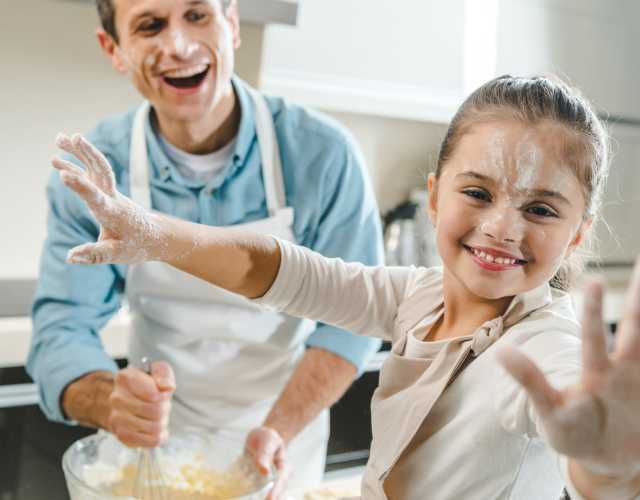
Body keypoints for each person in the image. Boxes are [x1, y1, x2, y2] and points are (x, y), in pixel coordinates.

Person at [51, 75, 640, 499]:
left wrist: (610, 458)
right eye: (479, 192)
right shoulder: (418, 294)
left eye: (540, 209)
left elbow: (594, 458)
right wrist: (155, 235)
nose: (501, 228)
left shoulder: (541, 343)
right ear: (435, 197)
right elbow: (278, 270)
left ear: (578, 234)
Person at [27, 0, 383, 493]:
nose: (179, 45)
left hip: (282, 439)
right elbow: (61, 329)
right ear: (114, 48)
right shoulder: (100, 174)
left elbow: (352, 321)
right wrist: (112, 401)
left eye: (197, 15)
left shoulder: (321, 155)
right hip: (153, 451)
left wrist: (276, 430)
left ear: (231, 23)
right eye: (151, 25)